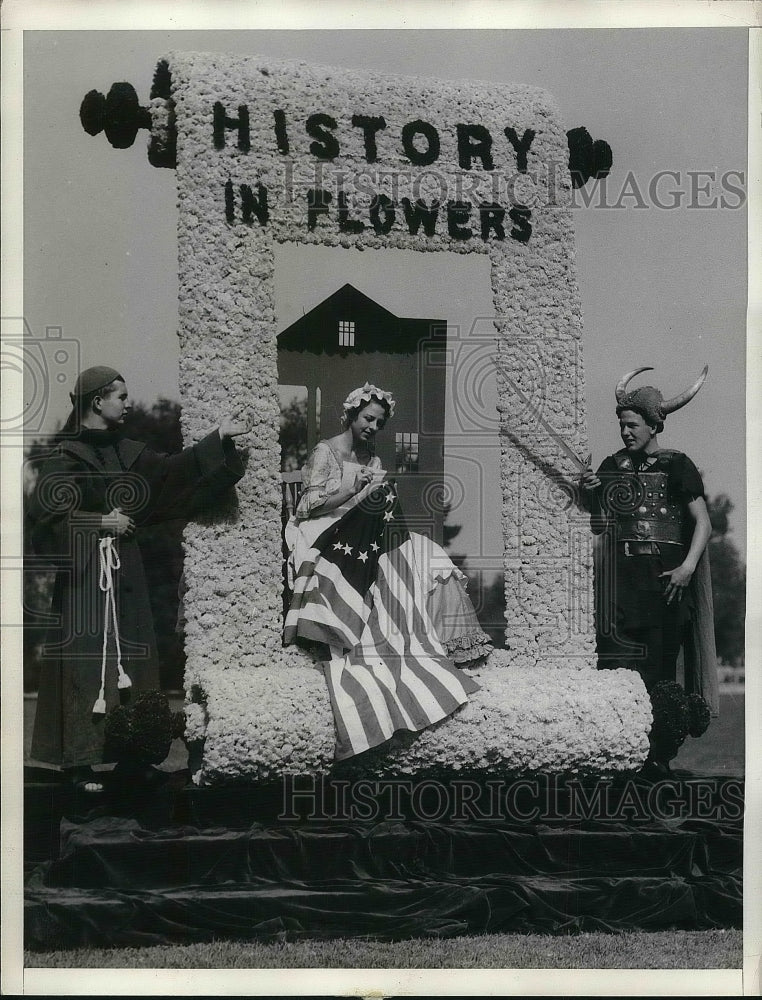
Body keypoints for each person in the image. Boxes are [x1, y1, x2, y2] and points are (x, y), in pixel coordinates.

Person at [28, 365, 247, 790]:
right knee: (87, 666)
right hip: (85, 581)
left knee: (136, 661)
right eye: (121, 397)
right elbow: (44, 522)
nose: (128, 403)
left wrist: (218, 437)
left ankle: (136, 757)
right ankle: (80, 764)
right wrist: (99, 522)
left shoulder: (131, 453)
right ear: (97, 401)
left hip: (128, 574)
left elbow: (171, 474)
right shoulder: (62, 457)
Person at [283, 382, 492, 760]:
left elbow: (376, 502)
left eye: (379, 423)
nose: (373, 428)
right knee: (383, 554)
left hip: (365, 526)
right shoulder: (326, 451)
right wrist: (352, 489)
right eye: (367, 419)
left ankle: (447, 641)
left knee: (425, 551)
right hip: (327, 526)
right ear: (351, 416)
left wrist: (375, 493)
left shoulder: (373, 456)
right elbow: (307, 506)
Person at [580, 365, 718, 722]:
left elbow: (703, 523)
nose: (625, 432)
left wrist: (686, 569)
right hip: (622, 587)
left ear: (654, 426)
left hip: (666, 585)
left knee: (660, 673)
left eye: (633, 426)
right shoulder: (613, 465)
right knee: (617, 669)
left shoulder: (677, 465)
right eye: (622, 426)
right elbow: (599, 526)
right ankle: (622, 756)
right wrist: (592, 494)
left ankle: (659, 757)